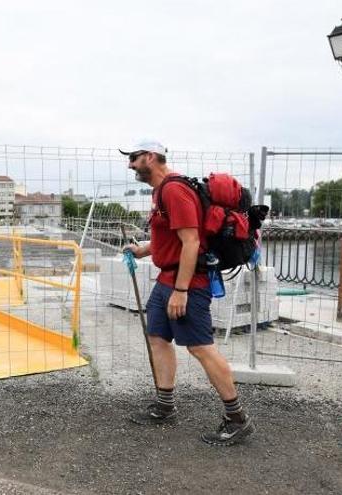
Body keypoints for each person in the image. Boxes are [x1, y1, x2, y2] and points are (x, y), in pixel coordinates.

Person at [120, 139, 254, 446]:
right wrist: (143, 251)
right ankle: (165, 406)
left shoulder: (174, 190)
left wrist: (181, 291)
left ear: (150, 157)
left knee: (200, 347)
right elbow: (174, 237)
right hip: (168, 278)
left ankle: (237, 419)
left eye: (134, 157)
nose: (130, 164)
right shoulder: (160, 191)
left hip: (187, 282)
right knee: (157, 337)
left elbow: (192, 241)